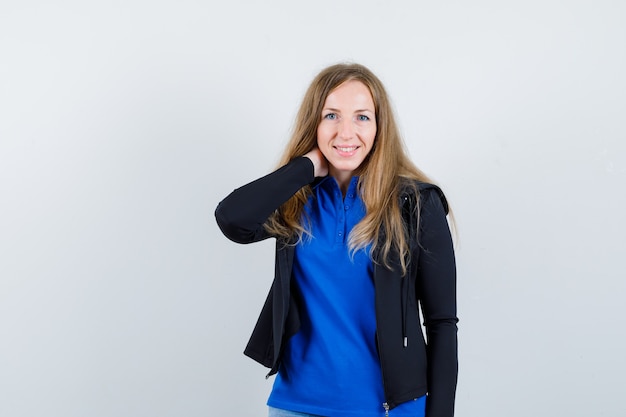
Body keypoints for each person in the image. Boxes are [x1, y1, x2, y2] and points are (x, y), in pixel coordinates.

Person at [215, 63, 458, 417]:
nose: (347, 132)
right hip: (296, 406)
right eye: (331, 115)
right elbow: (232, 219)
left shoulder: (415, 203)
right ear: (314, 122)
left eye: (362, 117)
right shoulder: (296, 199)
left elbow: (441, 323)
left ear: (379, 127)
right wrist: (305, 166)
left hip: (390, 410)